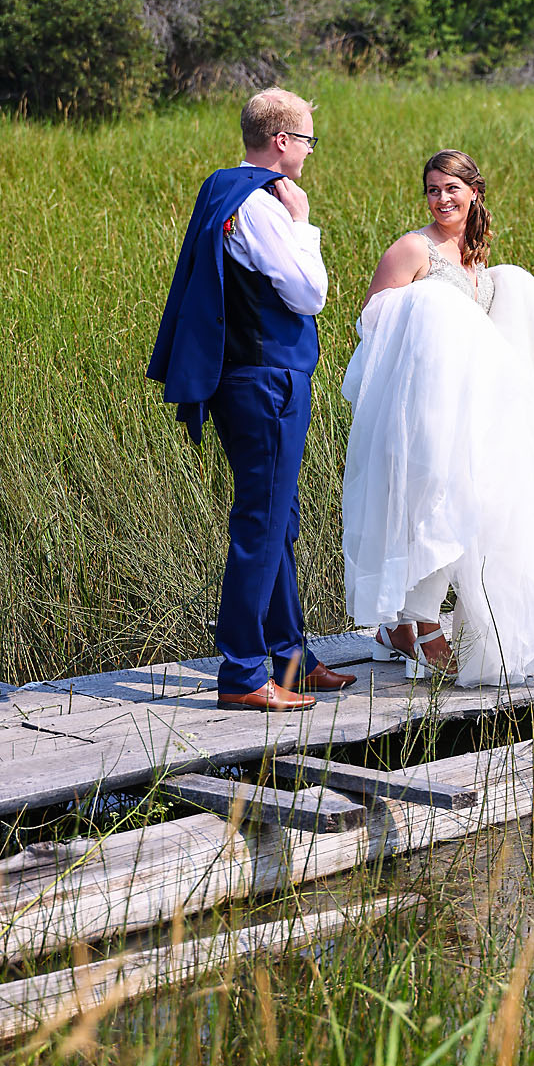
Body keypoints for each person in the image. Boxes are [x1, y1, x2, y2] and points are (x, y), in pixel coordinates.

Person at [341, 149, 534, 688]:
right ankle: (420, 624)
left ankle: (407, 629)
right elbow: (372, 323)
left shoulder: (479, 262)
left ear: (474, 192)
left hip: (479, 416)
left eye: (451, 188)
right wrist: (432, 312)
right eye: (432, 189)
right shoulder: (414, 249)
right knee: (432, 506)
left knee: (478, 512)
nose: (441, 199)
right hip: (426, 412)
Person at [147, 87, 356, 712]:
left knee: (277, 519)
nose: (311, 153)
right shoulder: (265, 208)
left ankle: (290, 660)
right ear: (284, 142)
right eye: (309, 140)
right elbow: (309, 293)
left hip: (243, 375)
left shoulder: (221, 188)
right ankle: (242, 672)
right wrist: (303, 221)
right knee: (261, 523)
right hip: (267, 379)